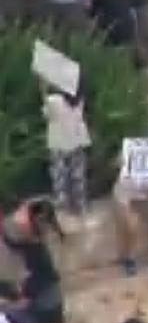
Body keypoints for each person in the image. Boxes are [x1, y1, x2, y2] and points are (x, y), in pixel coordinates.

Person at [43, 88, 92, 229]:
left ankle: (66, 216)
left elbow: (47, 115)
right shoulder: (79, 100)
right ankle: (80, 213)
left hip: (60, 144)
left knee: (61, 181)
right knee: (77, 178)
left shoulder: (53, 100)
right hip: (75, 141)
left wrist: (46, 99)